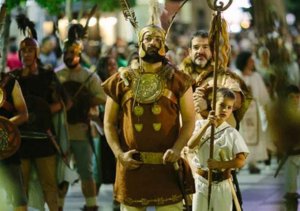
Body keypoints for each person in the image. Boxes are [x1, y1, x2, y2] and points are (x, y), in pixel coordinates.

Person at [102, 16, 195, 211]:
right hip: (132, 166)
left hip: (167, 168)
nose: (153, 42)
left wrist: (177, 149)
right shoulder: (121, 80)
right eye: (148, 38)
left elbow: (188, 121)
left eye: (158, 39)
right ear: (140, 43)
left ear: (164, 45)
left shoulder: (179, 80)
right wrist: (120, 155)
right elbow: (109, 123)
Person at [13, 14, 69, 211]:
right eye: (23, 51)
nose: (26, 54)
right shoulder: (13, 78)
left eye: (30, 50)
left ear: (36, 53)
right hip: (20, 142)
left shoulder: (47, 76)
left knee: (49, 187)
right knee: (20, 189)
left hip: (44, 139)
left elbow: (63, 103)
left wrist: (43, 110)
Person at [56, 23, 106, 211]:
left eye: (72, 53)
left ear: (78, 54)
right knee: (60, 173)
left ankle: (91, 205)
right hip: (60, 131)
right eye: (66, 53)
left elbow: (102, 98)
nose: (69, 57)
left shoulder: (89, 76)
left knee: (86, 172)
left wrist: (85, 99)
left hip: (82, 130)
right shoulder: (56, 75)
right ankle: (58, 206)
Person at [188, 88, 249, 211]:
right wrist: (207, 125)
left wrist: (219, 164)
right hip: (201, 182)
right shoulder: (200, 125)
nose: (225, 110)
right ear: (212, 104)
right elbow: (191, 145)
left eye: (229, 107)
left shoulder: (231, 133)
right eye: (221, 105)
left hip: (222, 183)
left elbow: (241, 161)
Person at [235, 51, 270, 174]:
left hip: (253, 109)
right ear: (244, 61)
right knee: (240, 135)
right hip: (239, 109)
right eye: (250, 60)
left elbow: (263, 96)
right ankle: (237, 162)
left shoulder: (256, 77)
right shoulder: (237, 75)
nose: (253, 63)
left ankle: (252, 163)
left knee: (254, 136)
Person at [0, 72, 29, 211]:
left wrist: (4, 126)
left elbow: (23, 114)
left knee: (17, 197)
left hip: (6, 143)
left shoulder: (9, 82)